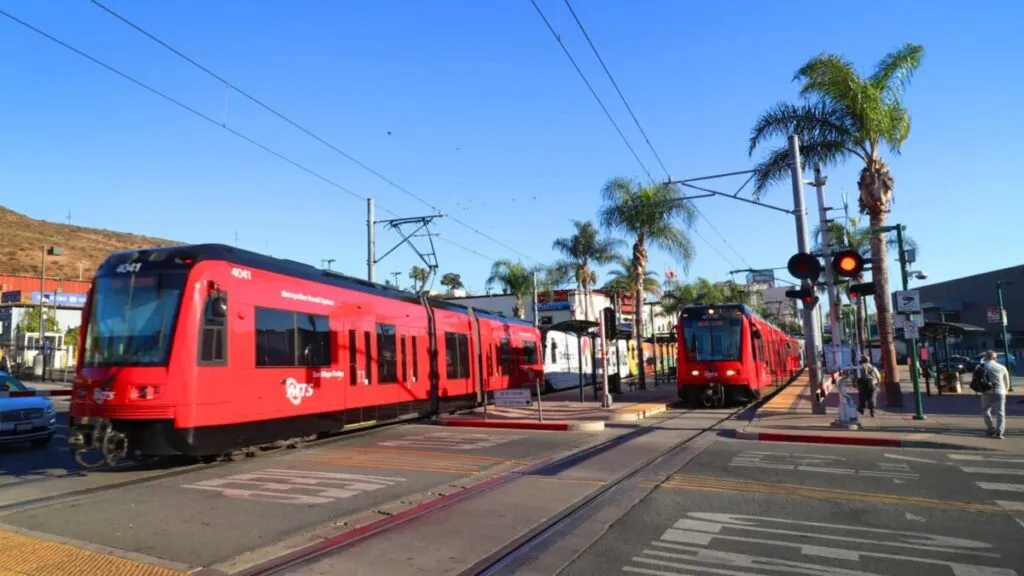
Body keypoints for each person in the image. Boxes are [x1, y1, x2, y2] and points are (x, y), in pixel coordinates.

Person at [975, 350, 1011, 439]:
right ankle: (999, 432)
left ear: (985, 357)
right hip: (1000, 392)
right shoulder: (1002, 367)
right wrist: (1005, 391)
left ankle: (990, 428)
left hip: (986, 392)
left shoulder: (980, 366)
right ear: (995, 358)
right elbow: (1007, 382)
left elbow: (975, 379)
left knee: (986, 410)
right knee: (1000, 412)